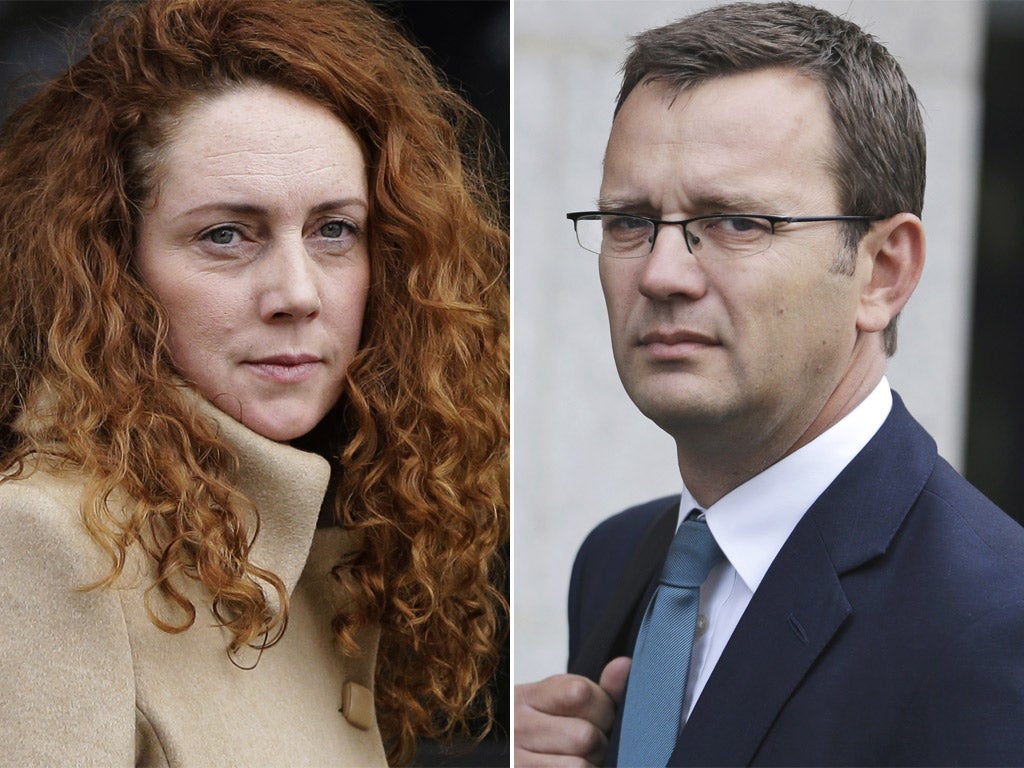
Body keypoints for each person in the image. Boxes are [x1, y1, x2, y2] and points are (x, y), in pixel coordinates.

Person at [514, 2, 1024, 766]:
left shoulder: (992, 620)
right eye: (629, 221)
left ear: (883, 272)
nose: (660, 273)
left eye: (736, 223)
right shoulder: (618, 559)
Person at [0, 0, 508, 765]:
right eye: (227, 235)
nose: (298, 293)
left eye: (334, 229)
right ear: (115, 266)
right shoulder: (46, 543)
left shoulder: (346, 543)